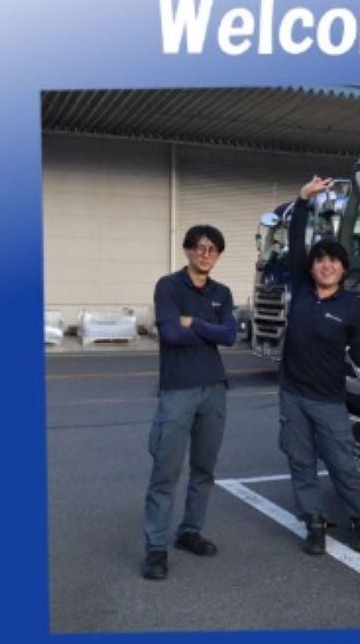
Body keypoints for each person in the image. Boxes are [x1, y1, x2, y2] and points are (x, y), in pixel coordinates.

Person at [279, 175, 360, 556]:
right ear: (311, 267)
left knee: (343, 464)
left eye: (333, 261)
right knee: (300, 463)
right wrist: (302, 200)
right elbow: (296, 238)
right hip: (292, 395)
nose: (326, 265)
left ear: (343, 269)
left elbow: (359, 345)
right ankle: (314, 522)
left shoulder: (351, 307)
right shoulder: (301, 289)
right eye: (320, 260)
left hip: (328, 399)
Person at [141, 225, 238, 580]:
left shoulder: (222, 292)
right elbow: (170, 333)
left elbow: (230, 336)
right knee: (165, 472)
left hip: (214, 389)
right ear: (187, 251)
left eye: (212, 249)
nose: (205, 254)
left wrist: (194, 322)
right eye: (199, 247)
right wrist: (210, 331)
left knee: (203, 469)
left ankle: (190, 531)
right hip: (178, 390)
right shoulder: (169, 286)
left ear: (218, 255)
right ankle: (155, 548)